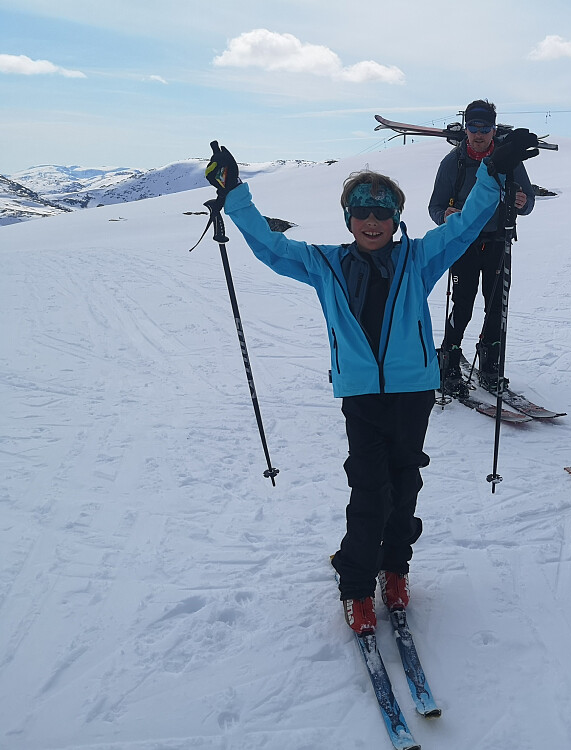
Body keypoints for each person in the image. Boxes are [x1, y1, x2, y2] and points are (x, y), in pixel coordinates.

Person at [204, 132, 538, 634]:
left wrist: (492, 172)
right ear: (348, 219)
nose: (372, 221)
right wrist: (234, 194)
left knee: (404, 486)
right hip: (361, 396)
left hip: (413, 393)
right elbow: (270, 246)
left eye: (383, 212)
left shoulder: (419, 258)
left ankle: (395, 568)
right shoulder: (325, 264)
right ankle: (357, 584)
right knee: (369, 492)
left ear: (397, 218)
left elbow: (467, 223)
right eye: (362, 211)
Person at [428, 99, 536, 397]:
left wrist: (523, 202)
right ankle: (448, 362)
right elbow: (435, 206)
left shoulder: (510, 159)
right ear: (465, 128)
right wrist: (445, 216)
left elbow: (528, 201)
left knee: (496, 307)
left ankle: (490, 363)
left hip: (499, 241)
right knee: (462, 304)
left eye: (484, 128)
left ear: (493, 129)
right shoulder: (453, 163)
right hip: (463, 244)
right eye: (473, 127)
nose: (478, 134)